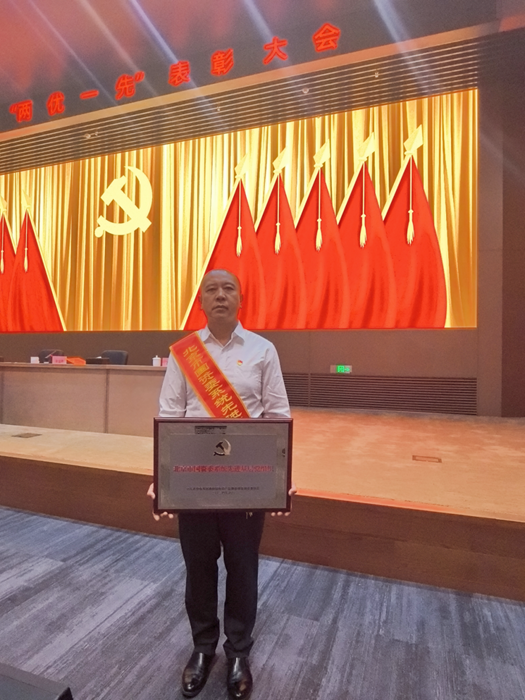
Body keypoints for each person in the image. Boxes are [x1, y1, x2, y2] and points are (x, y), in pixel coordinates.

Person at [148, 268, 292, 700]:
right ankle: (203, 647)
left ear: (240, 299)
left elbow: (278, 417)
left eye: (229, 288)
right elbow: (169, 416)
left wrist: (280, 480)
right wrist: (162, 479)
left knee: (243, 569)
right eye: (211, 289)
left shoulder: (263, 350)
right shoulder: (184, 354)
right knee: (199, 569)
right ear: (201, 302)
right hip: (194, 482)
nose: (220, 295)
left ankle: (239, 652)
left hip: (246, 483)